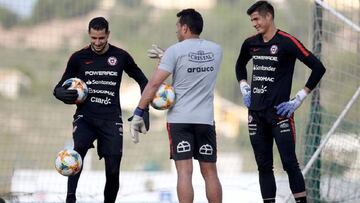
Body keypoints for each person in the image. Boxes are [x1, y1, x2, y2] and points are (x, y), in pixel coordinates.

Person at [235, 1, 326, 203]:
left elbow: (318, 67)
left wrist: (300, 98)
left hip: (280, 114)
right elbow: (240, 64)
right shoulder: (250, 43)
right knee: (264, 166)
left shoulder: (287, 42)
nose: (254, 24)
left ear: (269, 17)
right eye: (252, 20)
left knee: (290, 164)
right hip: (255, 115)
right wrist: (243, 85)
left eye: (257, 19)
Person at [129, 8, 223, 203]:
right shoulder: (216, 50)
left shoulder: (174, 51)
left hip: (179, 120)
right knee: (210, 172)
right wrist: (168, 56)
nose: (176, 31)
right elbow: (193, 65)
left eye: (178, 27)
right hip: (205, 120)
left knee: (184, 172)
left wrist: (139, 111)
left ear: (185, 28)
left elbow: (154, 84)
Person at [53, 17, 149, 203]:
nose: (97, 43)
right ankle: (70, 199)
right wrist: (60, 94)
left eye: (101, 38)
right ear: (89, 35)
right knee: (76, 154)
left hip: (111, 119)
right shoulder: (78, 57)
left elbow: (143, 80)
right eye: (93, 38)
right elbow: (59, 87)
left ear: (108, 35)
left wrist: (143, 109)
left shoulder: (121, 56)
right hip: (85, 117)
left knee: (113, 170)